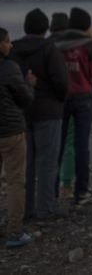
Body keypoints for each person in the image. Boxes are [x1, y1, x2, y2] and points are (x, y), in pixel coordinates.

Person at [9, 9, 69, 220]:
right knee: (47, 162)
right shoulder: (49, 49)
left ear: (26, 27)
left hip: (21, 113)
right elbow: (61, 82)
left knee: (27, 164)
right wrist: (57, 97)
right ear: (45, 28)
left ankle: (25, 209)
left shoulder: (12, 50)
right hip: (48, 110)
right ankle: (45, 209)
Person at [53, 6, 92, 205]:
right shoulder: (90, 45)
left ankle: (52, 190)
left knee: (58, 143)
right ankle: (81, 191)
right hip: (83, 97)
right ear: (86, 25)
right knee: (82, 145)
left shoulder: (55, 43)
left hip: (60, 97)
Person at [1, 27, 37, 248]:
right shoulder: (9, 68)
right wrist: (30, 85)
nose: (11, 45)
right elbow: (25, 99)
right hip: (11, 132)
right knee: (15, 182)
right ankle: (15, 232)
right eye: (6, 41)